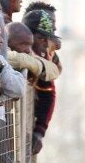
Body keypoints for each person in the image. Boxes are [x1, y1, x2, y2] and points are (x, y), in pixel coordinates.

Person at [22, 10, 61, 155]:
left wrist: (39, 131)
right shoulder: (16, 53)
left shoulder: (45, 61)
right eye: (41, 39)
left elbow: (48, 93)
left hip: (25, 133)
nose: (45, 46)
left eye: (48, 40)